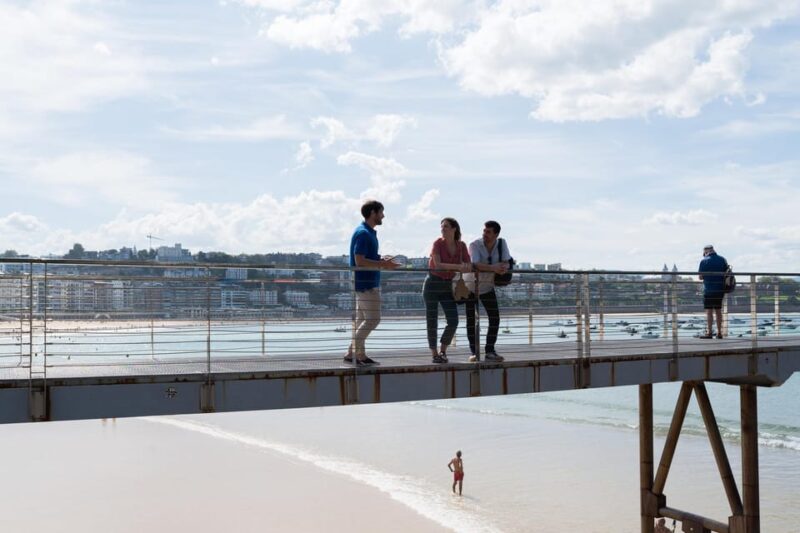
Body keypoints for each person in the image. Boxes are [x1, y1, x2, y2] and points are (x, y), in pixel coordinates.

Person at [344, 200, 400, 365]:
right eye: (381, 212)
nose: (383, 215)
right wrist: (384, 264)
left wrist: (380, 259)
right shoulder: (363, 233)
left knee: (362, 320)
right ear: (373, 213)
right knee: (373, 319)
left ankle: (358, 355)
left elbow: (365, 258)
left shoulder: (366, 232)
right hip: (366, 284)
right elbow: (359, 260)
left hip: (363, 283)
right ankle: (352, 353)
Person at [423, 218, 471, 363]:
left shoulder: (461, 246)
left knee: (453, 320)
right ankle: (434, 353)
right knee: (432, 320)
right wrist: (458, 267)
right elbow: (437, 265)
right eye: (442, 226)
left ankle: (443, 350)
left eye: (446, 227)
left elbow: (468, 264)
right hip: (432, 283)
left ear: (454, 229)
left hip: (447, 285)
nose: (443, 229)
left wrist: (464, 266)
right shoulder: (438, 244)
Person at [465, 220, 510, 362]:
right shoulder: (474, 245)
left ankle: (490, 350)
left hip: (487, 286)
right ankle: (474, 352)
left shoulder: (502, 244)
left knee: (494, 318)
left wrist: (503, 268)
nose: (485, 234)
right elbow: (476, 264)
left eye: (488, 232)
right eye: (484, 231)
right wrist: (494, 268)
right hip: (470, 286)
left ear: (496, 234)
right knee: (471, 320)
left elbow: (506, 262)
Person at [698, 244, 728, 339]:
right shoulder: (722, 259)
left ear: (706, 251)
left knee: (709, 312)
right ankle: (719, 333)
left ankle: (710, 332)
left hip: (709, 289)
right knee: (718, 311)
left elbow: (700, 277)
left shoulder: (704, 261)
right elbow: (726, 273)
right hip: (720, 289)